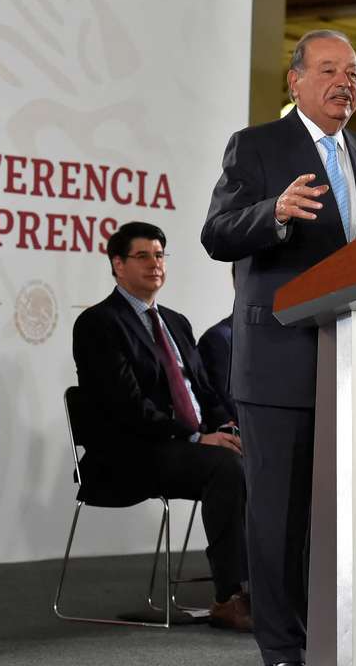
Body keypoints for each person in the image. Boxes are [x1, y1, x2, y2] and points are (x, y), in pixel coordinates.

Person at [200, 29, 356, 666]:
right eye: (330, 70)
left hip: (355, 362)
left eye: (355, 71)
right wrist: (275, 214)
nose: (346, 82)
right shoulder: (257, 147)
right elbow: (217, 233)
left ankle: (335, 638)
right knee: (279, 519)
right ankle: (283, 647)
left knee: (339, 517)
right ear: (295, 80)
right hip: (280, 362)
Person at [72, 222, 251, 629]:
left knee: (255, 457)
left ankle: (267, 589)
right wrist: (196, 437)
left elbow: (204, 391)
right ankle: (229, 596)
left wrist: (226, 427)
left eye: (160, 255)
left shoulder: (176, 322)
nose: (155, 264)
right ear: (117, 264)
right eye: (143, 256)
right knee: (227, 469)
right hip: (131, 453)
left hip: (184, 447)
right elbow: (127, 406)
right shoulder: (99, 324)